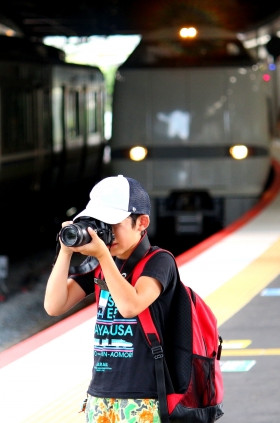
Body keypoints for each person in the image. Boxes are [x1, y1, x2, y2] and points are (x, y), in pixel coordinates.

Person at [44, 175, 177, 423]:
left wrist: (104, 256)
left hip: (144, 397)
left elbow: (130, 306)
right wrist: (65, 250)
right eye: (100, 223)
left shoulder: (160, 261)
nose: (107, 232)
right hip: (100, 395)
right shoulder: (98, 264)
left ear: (142, 222)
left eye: (113, 224)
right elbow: (54, 305)